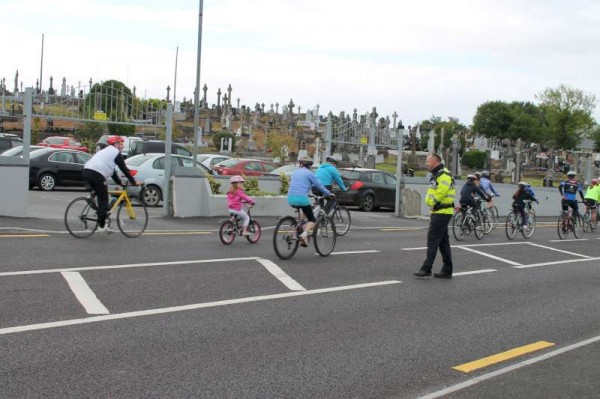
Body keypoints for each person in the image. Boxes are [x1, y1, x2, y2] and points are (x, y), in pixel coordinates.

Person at [82, 135, 140, 233]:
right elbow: (124, 169)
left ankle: (92, 200)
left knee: (100, 193)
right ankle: (101, 226)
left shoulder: (105, 151)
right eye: (121, 144)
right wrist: (133, 181)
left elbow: (112, 172)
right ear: (115, 144)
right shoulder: (115, 152)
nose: (122, 147)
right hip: (97, 174)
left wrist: (119, 182)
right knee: (104, 200)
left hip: (86, 171)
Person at [414, 153, 456, 279]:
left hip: (441, 212)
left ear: (435, 161)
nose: (427, 163)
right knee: (443, 242)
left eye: (428, 161)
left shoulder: (443, 174)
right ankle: (447, 269)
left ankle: (427, 268)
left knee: (432, 239)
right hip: (441, 212)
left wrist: (432, 202)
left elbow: (442, 191)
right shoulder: (439, 174)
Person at [288, 156, 332, 246]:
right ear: (310, 165)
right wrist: (329, 193)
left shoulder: (295, 172)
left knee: (303, 212)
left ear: (301, 164)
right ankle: (304, 235)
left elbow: (298, 185)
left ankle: (297, 230)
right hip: (301, 198)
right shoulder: (310, 174)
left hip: (290, 198)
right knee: (312, 219)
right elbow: (319, 186)